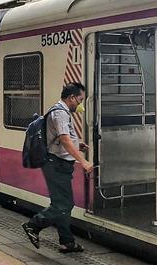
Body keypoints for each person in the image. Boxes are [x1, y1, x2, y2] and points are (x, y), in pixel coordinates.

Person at [22, 83, 93, 253]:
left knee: (61, 204)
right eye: (80, 100)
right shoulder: (60, 113)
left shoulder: (61, 111)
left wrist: (78, 144)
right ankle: (33, 225)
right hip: (56, 165)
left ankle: (67, 242)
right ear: (71, 98)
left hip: (58, 164)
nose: (81, 104)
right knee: (64, 204)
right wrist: (83, 161)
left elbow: (64, 139)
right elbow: (65, 139)